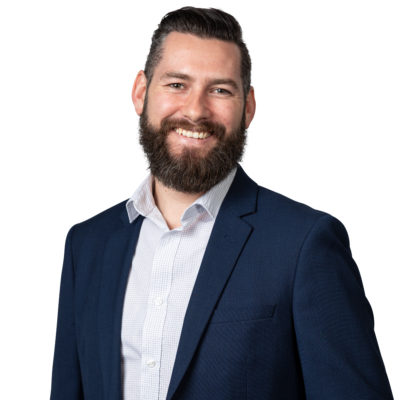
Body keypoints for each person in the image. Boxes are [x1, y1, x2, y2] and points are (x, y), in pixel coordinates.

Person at [50, 6, 394, 400]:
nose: (196, 110)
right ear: (141, 93)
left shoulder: (304, 245)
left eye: (220, 90)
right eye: (177, 84)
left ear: (248, 107)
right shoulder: (87, 246)